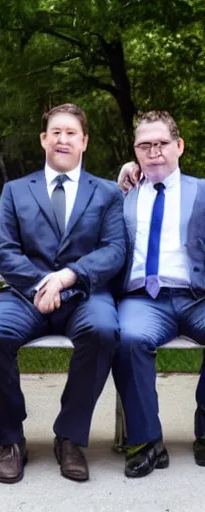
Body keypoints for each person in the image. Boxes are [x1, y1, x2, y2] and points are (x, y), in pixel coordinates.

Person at [0, 103, 126, 484]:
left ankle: (70, 437)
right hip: (25, 294)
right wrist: (43, 284)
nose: (63, 139)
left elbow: (114, 250)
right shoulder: (15, 191)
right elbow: (6, 251)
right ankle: (10, 440)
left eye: (71, 133)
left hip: (84, 294)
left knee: (104, 331)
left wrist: (67, 278)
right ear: (43, 139)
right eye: (55, 132)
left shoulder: (107, 193)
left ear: (84, 142)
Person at [113, 110, 205, 478]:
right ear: (135, 152)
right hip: (143, 299)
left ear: (179, 146)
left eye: (162, 144)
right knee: (129, 339)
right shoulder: (122, 193)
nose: (154, 152)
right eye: (144, 145)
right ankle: (146, 440)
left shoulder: (201, 190)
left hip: (196, 296)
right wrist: (122, 172)